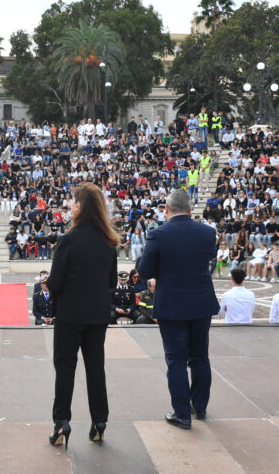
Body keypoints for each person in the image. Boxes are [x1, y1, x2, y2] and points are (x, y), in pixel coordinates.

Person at [137, 187, 219, 430]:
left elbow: (144, 271)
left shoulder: (158, 234)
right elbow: (208, 257)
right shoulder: (207, 232)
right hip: (201, 302)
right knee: (200, 357)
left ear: (166, 209)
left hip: (172, 304)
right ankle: (200, 407)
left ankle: (182, 413)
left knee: (176, 361)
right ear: (191, 210)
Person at [47, 182, 118, 446]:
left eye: (72, 201)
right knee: (95, 368)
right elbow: (111, 282)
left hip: (69, 315)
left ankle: (61, 423)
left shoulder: (68, 240)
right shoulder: (108, 242)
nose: (69, 205)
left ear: (80, 206)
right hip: (97, 315)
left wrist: (50, 284)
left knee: (65, 369)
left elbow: (54, 284)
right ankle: (100, 421)